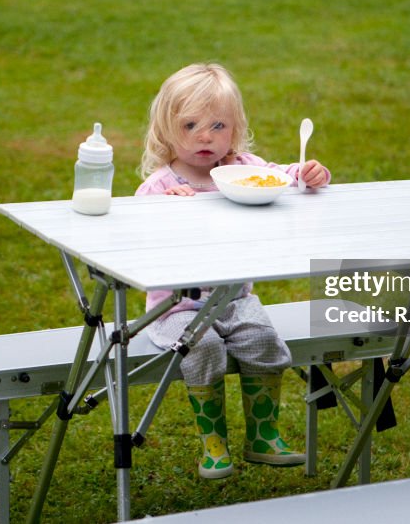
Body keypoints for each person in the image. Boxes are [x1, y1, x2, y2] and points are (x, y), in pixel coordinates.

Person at [136, 62, 330, 479]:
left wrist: (309, 174)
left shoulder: (243, 167)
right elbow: (137, 235)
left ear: (235, 129)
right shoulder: (160, 186)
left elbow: (285, 177)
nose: (205, 137)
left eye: (218, 125)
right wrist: (163, 212)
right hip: (176, 309)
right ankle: (213, 445)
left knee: (264, 338)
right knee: (201, 348)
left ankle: (263, 436)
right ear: (166, 129)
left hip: (236, 299)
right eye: (189, 125)